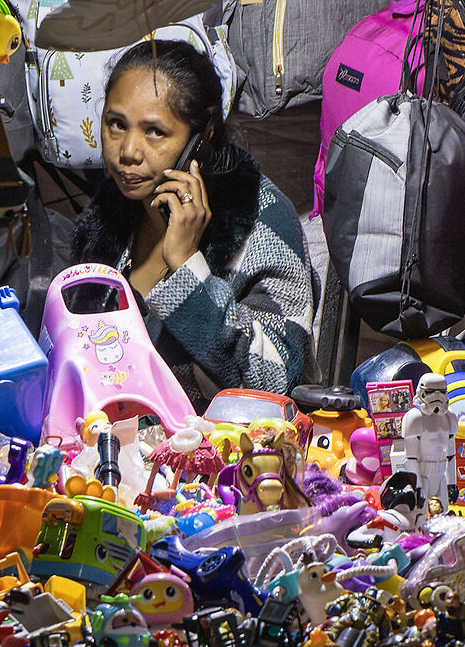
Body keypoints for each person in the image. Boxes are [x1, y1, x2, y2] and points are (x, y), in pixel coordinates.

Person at [68, 39, 313, 399]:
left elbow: (277, 382)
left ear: (203, 137)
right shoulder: (109, 215)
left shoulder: (260, 218)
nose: (128, 152)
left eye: (154, 132)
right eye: (116, 124)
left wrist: (187, 268)